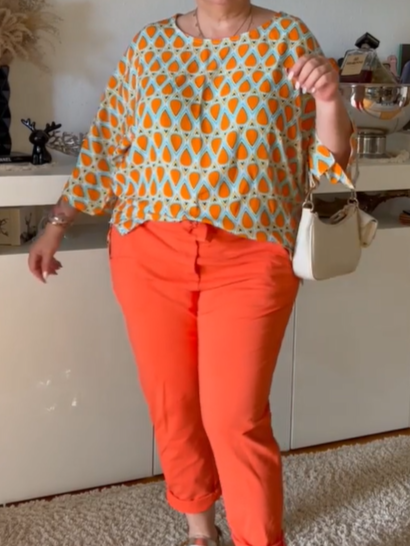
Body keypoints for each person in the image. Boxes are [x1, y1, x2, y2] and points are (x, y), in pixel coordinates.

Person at [28, 2, 356, 545]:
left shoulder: (289, 38)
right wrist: (57, 223)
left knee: (235, 417)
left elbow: (329, 162)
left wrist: (328, 99)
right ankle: (200, 531)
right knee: (173, 405)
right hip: (148, 250)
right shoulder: (150, 45)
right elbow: (107, 144)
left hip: (251, 251)